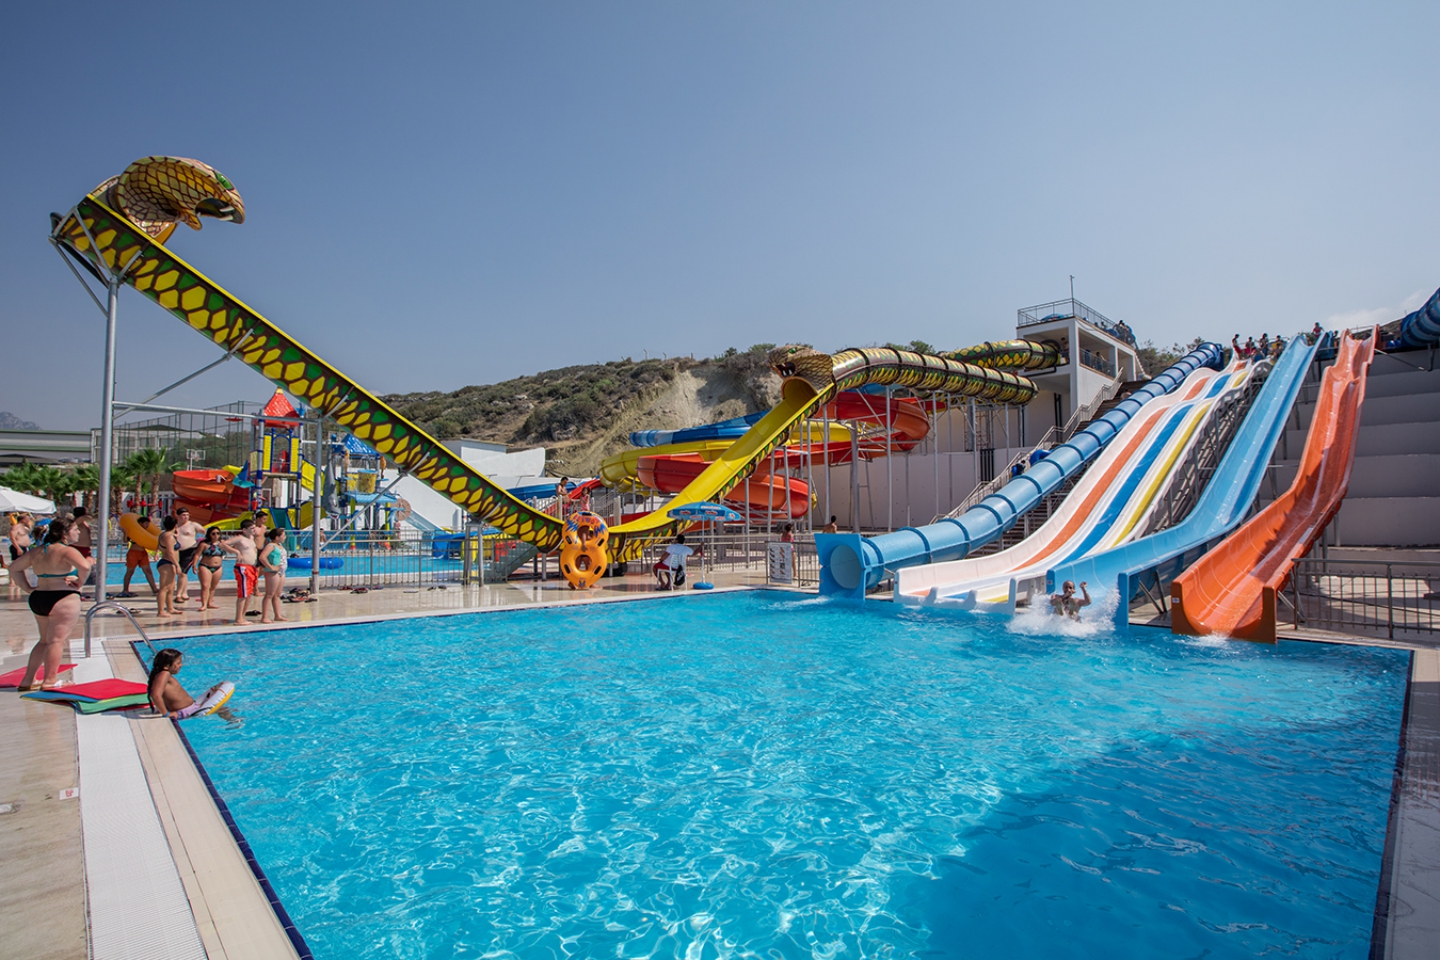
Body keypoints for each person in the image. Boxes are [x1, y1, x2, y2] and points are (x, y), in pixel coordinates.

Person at [10, 517, 94, 692]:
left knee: (44, 640)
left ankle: (28, 679)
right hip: (62, 597)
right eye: (75, 529)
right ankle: (50, 680)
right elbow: (85, 567)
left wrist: (27, 588)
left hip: (39, 597)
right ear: (64, 534)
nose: (78, 532)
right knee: (56, 641)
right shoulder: (67, 551)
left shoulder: (38, 550)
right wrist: (79, 582)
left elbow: (14, 568)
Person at [146, 648, 227, 720]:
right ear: (166, 666)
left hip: (189, 708)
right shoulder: (164, 674)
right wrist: (166, 713)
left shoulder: (161, 674)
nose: (181, 665)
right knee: (223, 709)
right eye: (178, 663)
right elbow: (155, 695)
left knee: (221, 708)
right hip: (187, 711)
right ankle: (233, 722)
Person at [213, 520, 260, 626]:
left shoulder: (251, 538)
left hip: (251, 567)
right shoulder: (240, 538)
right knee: (243, 594)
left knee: (248, 594)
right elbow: (222, 544)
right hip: (243, 568)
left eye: (254, 527)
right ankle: (238, 619)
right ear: (244, 530)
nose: (254, 530)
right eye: (252, 528)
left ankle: (242, 617)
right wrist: (236, 552)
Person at [171, 506, 205, 605]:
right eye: (183, 515)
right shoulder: (174, 526)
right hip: (177, 551)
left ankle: (178, 595)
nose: (186, 517)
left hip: (190, 550)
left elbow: (204, 531)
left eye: (187, 515)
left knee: (182, 572)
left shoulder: (193, 525)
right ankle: (184, 592)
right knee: (181, 573)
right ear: (178, 516)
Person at [119, 513, 158, 598]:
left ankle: (154, 589)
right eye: (145, 523)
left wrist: (156, 553)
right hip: (133, 553)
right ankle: (125, 590)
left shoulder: (147, 533)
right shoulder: (134, 531)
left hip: (143, 553)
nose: (147, 525)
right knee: (130, 571)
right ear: (140, 523)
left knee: (148, 571)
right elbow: (125, 541)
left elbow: (155, 542)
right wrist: (125, 533)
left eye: (148, 524)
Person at [257, 528, 289, 624]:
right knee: (269, 594)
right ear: (277, 537)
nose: (285, 537)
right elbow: (262, 557)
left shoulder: (280, 546)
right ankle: (264, 617)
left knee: (277, 595)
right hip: (272, 572)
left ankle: (277, 615)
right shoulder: (270, 546)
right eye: (283, 535)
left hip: (281, 572)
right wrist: (271, 567)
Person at [155, 516, 181, 619]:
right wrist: (177, 565)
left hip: (169, 563)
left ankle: (170, 608)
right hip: (167, 563)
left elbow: (159, 546)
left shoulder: (164, 534)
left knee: (171, 588)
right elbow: (170, 552)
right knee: (164, 588)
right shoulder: (169, 537)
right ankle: (161, 611)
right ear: (175, 525)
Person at [196, 526, 226, 611]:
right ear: (209, 534)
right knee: (205, 586)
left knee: (213, 586)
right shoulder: (204, 544)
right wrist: (194, 565)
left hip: (218, 567)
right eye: (213, 534)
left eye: (218, 533)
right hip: (205, 566)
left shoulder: (222, 544)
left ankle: (209, 603)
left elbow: (232, 549)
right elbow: (197, 555)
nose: (216, 535)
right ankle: (204, 605)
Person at [7, 513, 33, 601]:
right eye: (27, 519)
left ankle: (19, 581)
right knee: (15, 564)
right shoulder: (15, 527)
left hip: (25, 547)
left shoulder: (25, 527)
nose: (29, 520)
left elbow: (30, 533)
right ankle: (12, 581)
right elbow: (12, 538)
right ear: (22, 520)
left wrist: (28, 524)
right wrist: (18, 548)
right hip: (18, 547)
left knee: (23, 565)